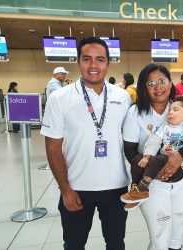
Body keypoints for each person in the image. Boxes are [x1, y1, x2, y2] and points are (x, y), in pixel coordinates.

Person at [40, 37, 132, 250]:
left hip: (116, 186)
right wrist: (65, 190)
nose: (93, 65)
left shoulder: (122, 97)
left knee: (116, 243)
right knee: (73, 244)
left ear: (108, 63)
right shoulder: (60, 98)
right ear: (78, 62)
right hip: (77, 188)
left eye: (100, 59)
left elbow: (131, 141)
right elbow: (53, 147)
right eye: (87, 59)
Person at [123, 64, 183, 250]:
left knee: (177, 237)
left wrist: (180, 156)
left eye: (162, 81)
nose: (158, 87)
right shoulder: (136, 113)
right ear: (143, 86)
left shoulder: (182, 107)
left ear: (170, 82)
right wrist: (151, 168)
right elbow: (130, 150)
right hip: (152, 183)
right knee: (160, 238)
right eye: (150, 83)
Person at [121, 96, 183, 210]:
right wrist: (146, 157)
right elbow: (154, 141)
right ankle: (137, 191)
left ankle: (144, 186)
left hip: (178, 167)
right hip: (161, 160)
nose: (170, 112)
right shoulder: (165, 127)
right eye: (170, 110)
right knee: (138, 160)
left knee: (158, 160)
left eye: (175, 110)